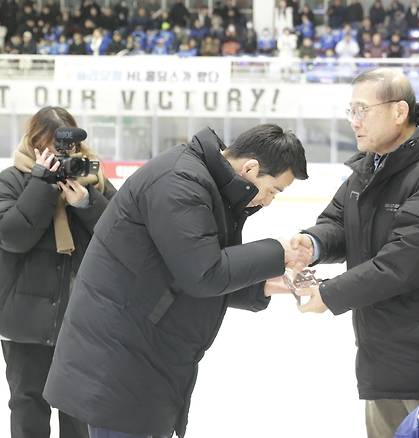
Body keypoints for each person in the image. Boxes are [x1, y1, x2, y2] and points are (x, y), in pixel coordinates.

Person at [43, 124, 311, 438]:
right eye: (273, 190)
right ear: (250, 168)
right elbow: (202, 273)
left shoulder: (205, 184)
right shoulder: (180, 182)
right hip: (119, 361)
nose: (268, 201)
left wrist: (260, 285)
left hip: (143, 354)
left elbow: (184, 264)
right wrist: (277, 252)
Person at [290, 68, 419, 438]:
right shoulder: (370, 168)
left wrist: (329, 294)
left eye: (362, 110)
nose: (354, 121)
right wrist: (311, 243)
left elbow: (403, 262)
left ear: (399, 112)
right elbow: (339, 221)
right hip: (384, 352)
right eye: (351, 111)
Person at [0, 106, 116, 438]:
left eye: (67, 149)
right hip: (24, 321)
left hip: (82, 322)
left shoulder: (93, 180)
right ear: (34, 144)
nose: (60, 157)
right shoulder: (12, 180)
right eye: (49, 149)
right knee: (27, 405)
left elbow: (120, 237)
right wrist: (41, 184)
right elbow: (12, 236)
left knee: (78, 409)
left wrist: (85, 202)